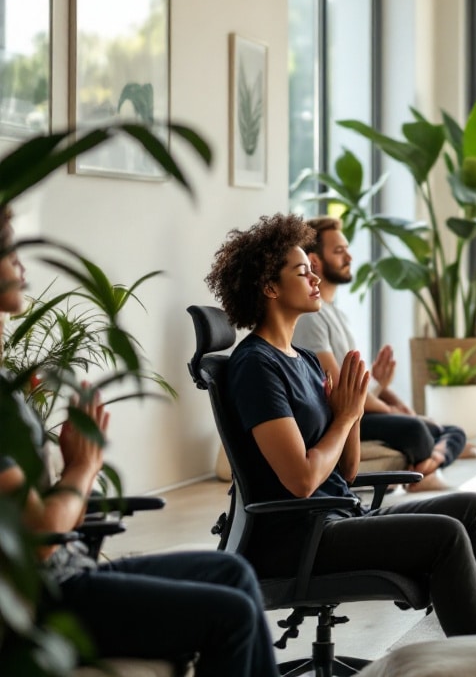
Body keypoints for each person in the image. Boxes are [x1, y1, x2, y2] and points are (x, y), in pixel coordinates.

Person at [204, 213, 476, 636]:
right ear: (269, 287)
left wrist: (347, 412)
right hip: (297, 539)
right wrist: (348, 415)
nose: (315, 277)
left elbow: (346, 472)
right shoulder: (256, 366)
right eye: (302, 271)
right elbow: (300, 480)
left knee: (475, 510)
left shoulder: (307, 360)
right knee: (445, 535)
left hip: (334, 517)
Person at [0, 210, 279, 676]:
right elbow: (40, 539)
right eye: (9, 250)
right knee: (230, 616)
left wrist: (73, 465)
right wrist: (81, 468)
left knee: (234, 572)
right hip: (42, 594)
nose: (22, 263)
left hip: (69, 572)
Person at [294, 216, 476, 492]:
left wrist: (390, 395)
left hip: (360, 407)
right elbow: (339, 389)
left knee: (449, 428)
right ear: (314, 262)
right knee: (418, 430)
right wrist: (392, 409)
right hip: (341, 416)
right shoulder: (311, 317)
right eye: (339, 251)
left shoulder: (336, 314)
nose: (349, 256)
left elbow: (360, 385)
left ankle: (431, 461)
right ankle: (436, 461)